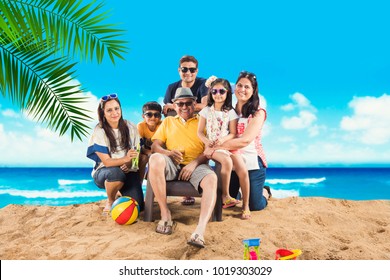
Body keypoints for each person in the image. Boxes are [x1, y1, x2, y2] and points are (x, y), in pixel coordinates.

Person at [148, 87, 217, 248]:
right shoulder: (168, 121)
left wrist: (194, 164)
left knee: (212, 178)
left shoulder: (203, 121)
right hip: (172, 163)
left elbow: (209, 149)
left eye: (188, 103)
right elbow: (155, 146)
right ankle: (165, 214)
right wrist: (168, 153)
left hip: (197, 164)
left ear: (194, 104)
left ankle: (200, 230)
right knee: (156, 158)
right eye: (180, 104)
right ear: (174, 105)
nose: (184, 107)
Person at [204, 71, 271, 212]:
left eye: (247, 87)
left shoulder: (258, 112)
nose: (242, 89)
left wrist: (214, 146)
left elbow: (244, 141)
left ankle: (265, 192)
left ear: (253, 91)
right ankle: (239, 193)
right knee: (227, 200)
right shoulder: (230, 111)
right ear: (234, 89)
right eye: (239, 85)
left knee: (255, 206)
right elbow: (209, 104)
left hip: (253, 159)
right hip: (233, 157)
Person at [197, 78, 251, 219]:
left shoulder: (230, 112)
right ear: (210, 92)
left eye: (222, 91)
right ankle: (225, 195)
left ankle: (246, 206)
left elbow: (232, 133)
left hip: (226, 144)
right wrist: (208, 142)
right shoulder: (206, 111)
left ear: (227, 93)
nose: (218, 94)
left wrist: (222, 140)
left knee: (242, 170)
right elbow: (199, 132)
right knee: (226, 161)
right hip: (212, 147)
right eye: (214, 91)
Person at [86, 93, 144, 214]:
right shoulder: (99, 131)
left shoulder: (131, 127)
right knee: (115, 174)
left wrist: (129, 164)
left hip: (128, 170)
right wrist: (125, 159)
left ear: (121, 109)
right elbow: (106, 162)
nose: (114, 113)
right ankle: (111, 200)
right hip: (105, 172)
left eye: (116, 108)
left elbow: (137, 151)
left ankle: (119, 190)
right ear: (103, 113)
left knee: (138, 206)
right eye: (109, 110)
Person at [163, 55, 209, 206]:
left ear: (197, 71)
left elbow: (206, 107)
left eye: (192, 69)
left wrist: (180, 106)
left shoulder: (203, 84)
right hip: (178, 128)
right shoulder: (171, 87)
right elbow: (166, 110)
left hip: (199, 126)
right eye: (184, 69)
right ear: (179, 70)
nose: (188, 72)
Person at [137, 101, 163, 184]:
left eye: (156, 115)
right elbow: (139, 146)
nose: (153, 117)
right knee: (143, 158)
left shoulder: (162, 126)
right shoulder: (141, 126)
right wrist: (148, 153)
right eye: (149, 114)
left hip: (160, 151)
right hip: (145, 151)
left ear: (160, 117)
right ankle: (138, 185)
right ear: (143, 116)